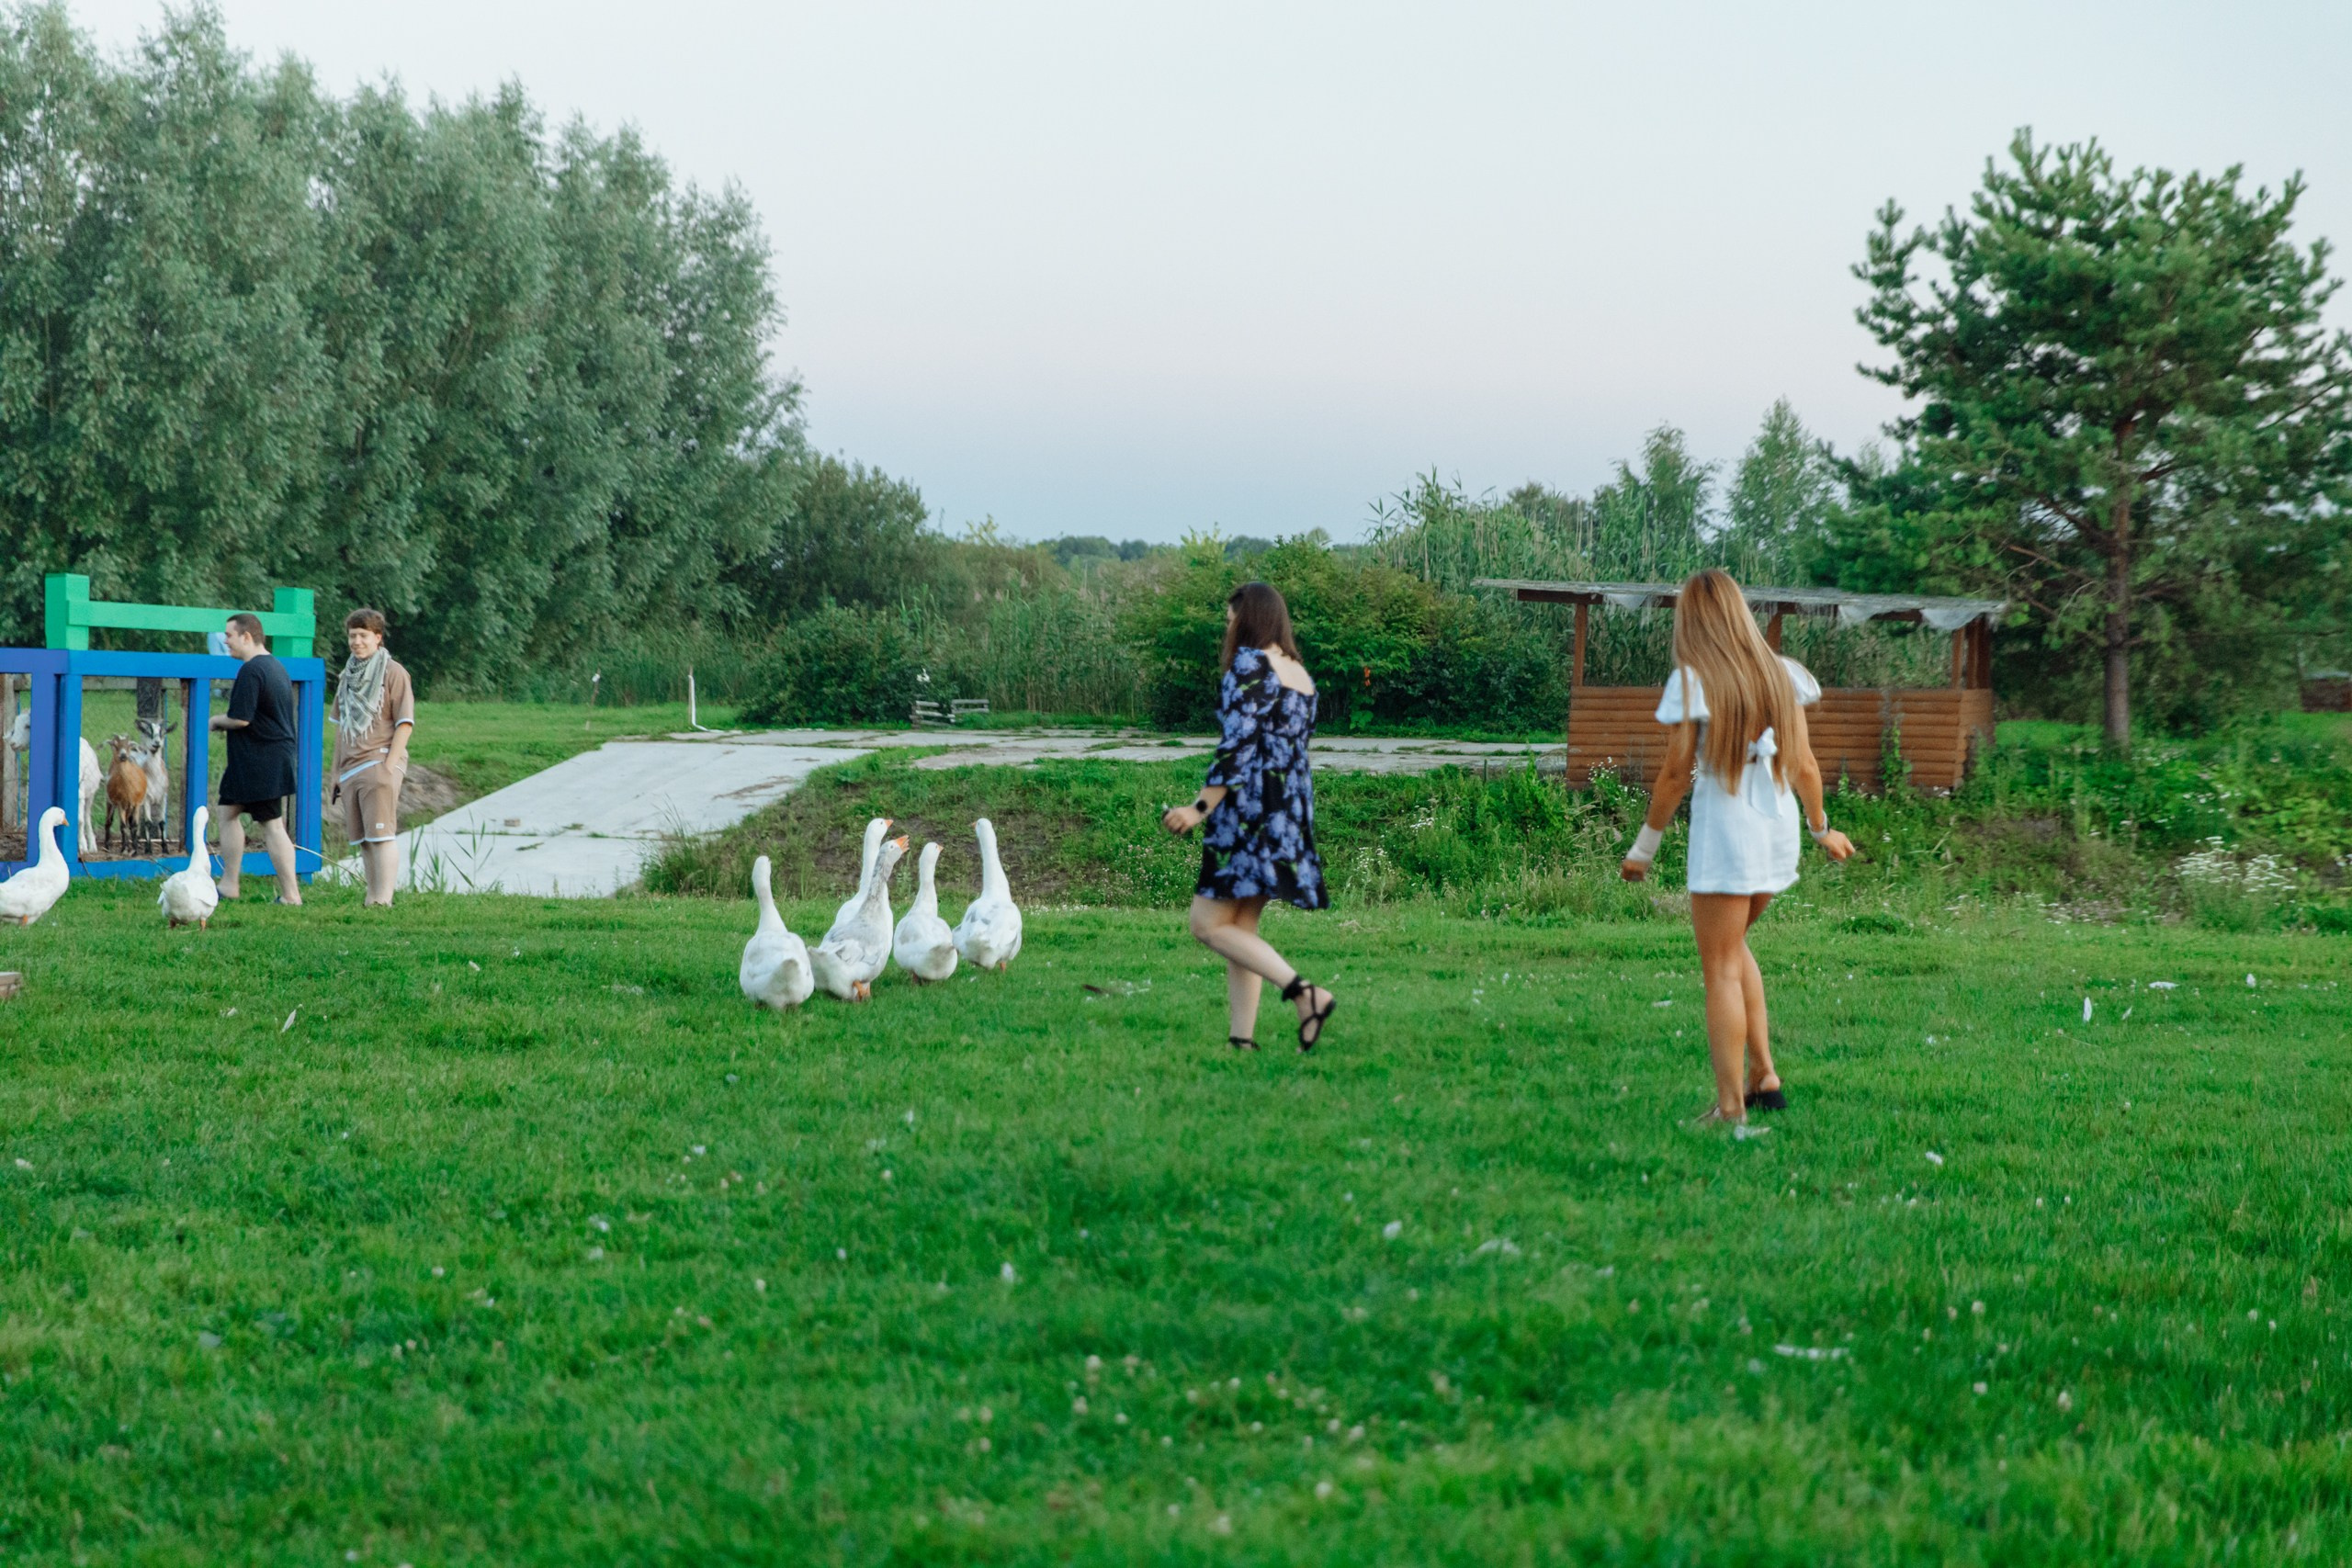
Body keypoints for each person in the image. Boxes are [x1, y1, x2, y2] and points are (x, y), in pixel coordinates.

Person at [1620, 570, 1855, 1124]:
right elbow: (1804, 765)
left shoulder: (1695, 679)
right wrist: (1823, 829)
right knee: (1736, 949)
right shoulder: (1783, 674)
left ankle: (1731, 1111)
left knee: (1720, 968)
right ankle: (1764, 1076)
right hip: (1775, 832)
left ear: (1692, 621)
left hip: (1727, 836)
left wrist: (1644, 848)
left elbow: (1677, 773)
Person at [1160, 581, 1338, 1053]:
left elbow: (1236, 748)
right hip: (1288, 813)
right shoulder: (1299, 673)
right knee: (1240, 930)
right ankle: (1242, 1040)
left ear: (1249, 619)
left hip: (1248, 814)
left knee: (1206, 924)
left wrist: (1198, 809)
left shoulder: (1249, 666)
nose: (1227, 626)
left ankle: (1306, 994)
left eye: (1230, 617)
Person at [210, 612, 303, 905]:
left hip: (258, 759)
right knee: (233, 812)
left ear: (247, 637)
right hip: (271, 757)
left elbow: (240, 719)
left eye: (229, 636)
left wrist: (215, 720)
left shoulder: (252, 670)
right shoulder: (275, 666)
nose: (225, 641)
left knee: (267, 824)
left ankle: (288, 894)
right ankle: (232, 884)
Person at [331, 608, 415, 908]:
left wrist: (389, 765)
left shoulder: (393, 673)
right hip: (351, 767)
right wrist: (335, 774)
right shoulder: (347, 677)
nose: (357, 641)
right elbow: (341, 728)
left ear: (377, 638)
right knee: (364, 840)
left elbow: (404, 723)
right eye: (352, 635)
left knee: (381, 835)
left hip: (378, 762)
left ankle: (384, 899)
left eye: (363, 635)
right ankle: (372, 898)